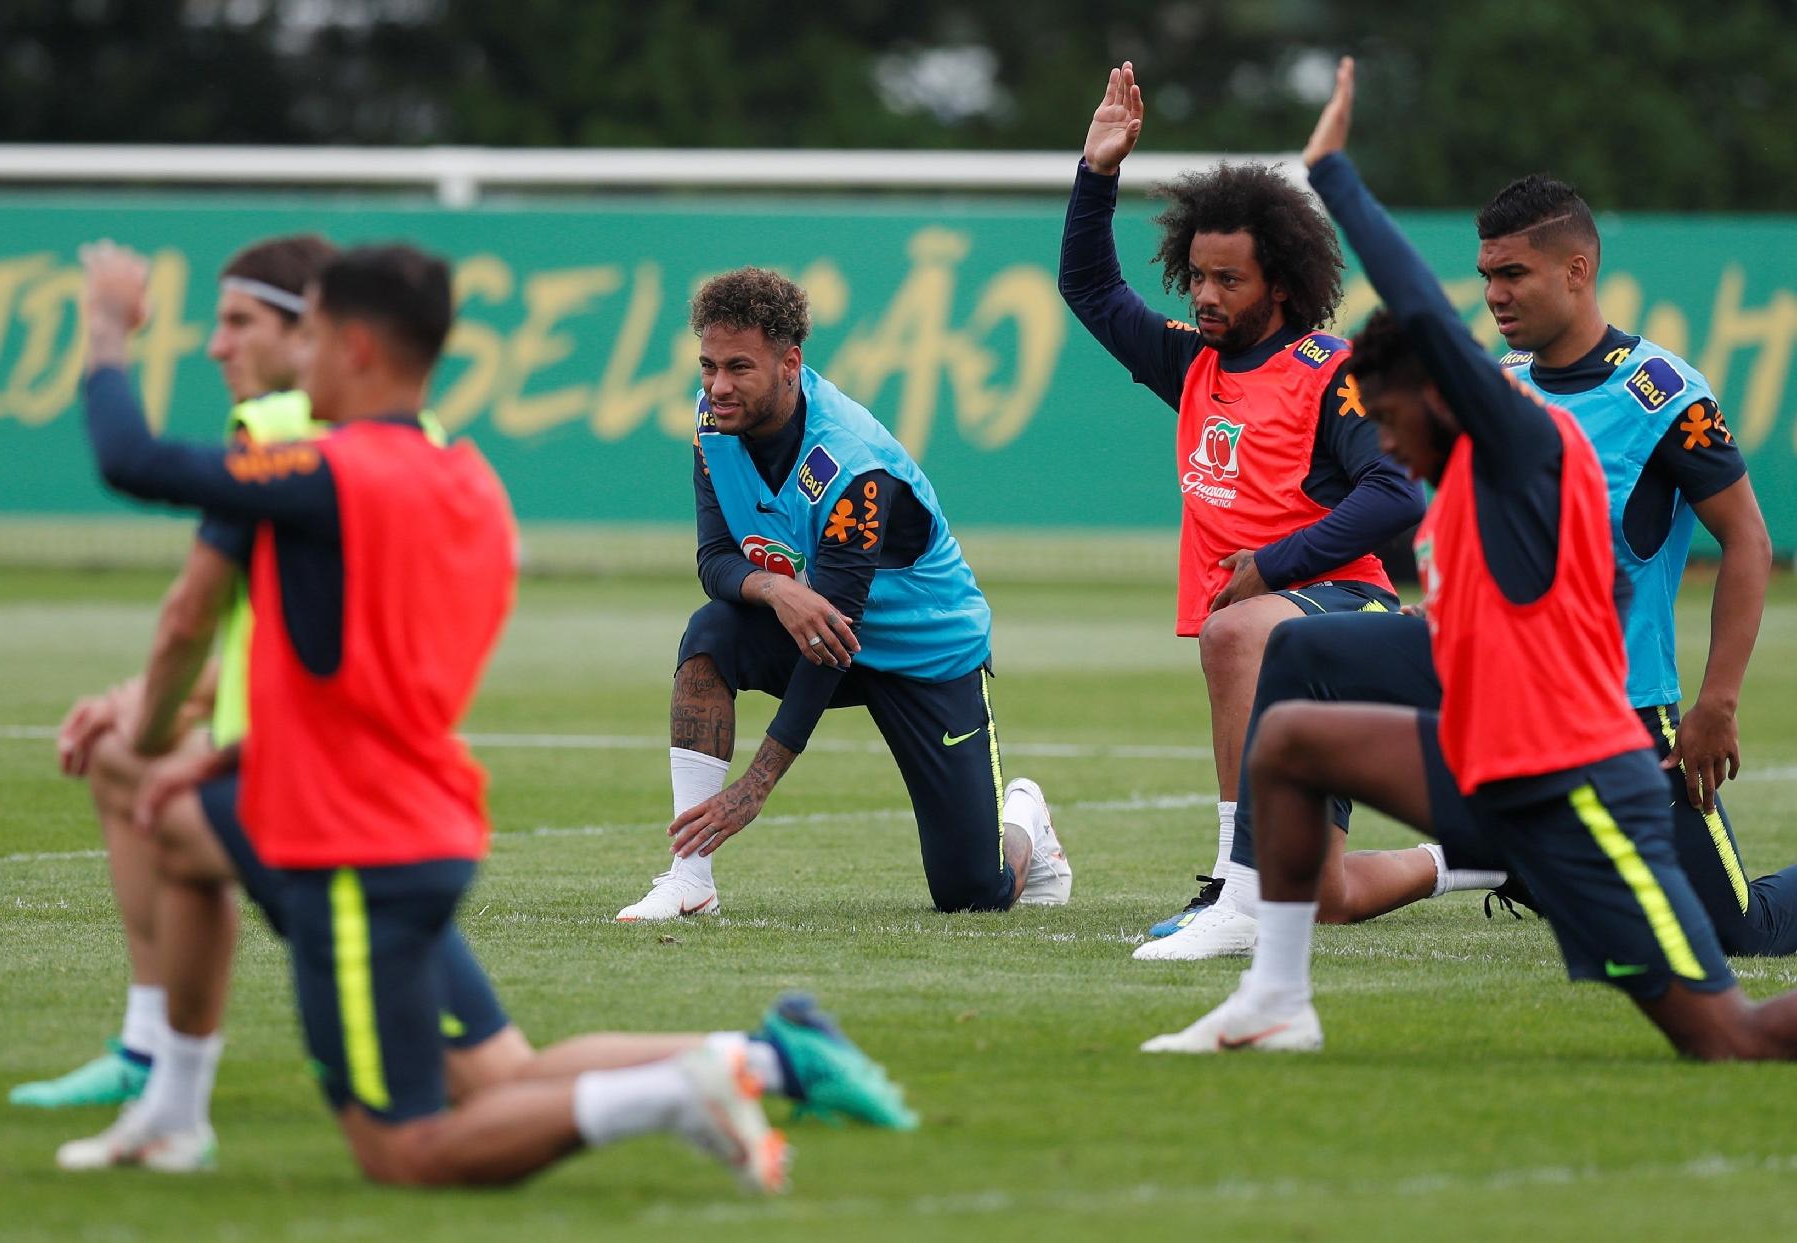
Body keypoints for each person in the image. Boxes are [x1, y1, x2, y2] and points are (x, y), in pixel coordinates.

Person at [62, 240, 914, 1187]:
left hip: (350, 837)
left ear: (353, 348)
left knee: (404, 1150)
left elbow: (129, 460)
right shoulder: (465, 485)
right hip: (410, 812)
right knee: (187, 840)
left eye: (306, 339)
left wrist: (106, 324)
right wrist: (223, 761)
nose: (292, 360)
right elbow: (354, 676)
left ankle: (689, 1088)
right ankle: (771, 1055)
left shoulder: (324, 474)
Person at [1146, 59, 1797, 1062]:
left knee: (1730, 1031)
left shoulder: (1525, 429)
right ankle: (1276, 994)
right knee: (1292, 726)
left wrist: (1335, 178)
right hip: (1493, 743)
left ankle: (1507, 867)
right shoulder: (1495, 421)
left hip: (1580, 778)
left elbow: (1426, 320)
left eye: (1392, 419)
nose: (1387, 448)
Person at [1059, 61, 1424, 956]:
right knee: (1325, 891)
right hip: (1285, 629)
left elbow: (1396, 494)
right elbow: (1093, 292)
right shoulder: (1195, 364)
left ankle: (1234, 885)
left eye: (1230, 281)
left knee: (1234, 633)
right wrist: (1097, 171)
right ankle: (1484, 857)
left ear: (1283, 286)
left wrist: (1272, 566)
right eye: (1199, 278)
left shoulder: (1333, 372)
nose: (1208, 298)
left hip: (1352, 612)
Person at [615, 267, 1071, 921]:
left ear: (789, 363)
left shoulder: (850, 463)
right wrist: (774, 587)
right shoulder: (711, 422)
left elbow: (832, 641)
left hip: (925, 651)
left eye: (738, 367)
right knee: (709, 634)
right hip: (817, 625)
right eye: (708, 365)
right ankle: (690, 877)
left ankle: (1026, 817)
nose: (718, 386)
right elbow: (715, 558)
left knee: (973, 894)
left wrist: (757, 783)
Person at [15, 235, 336, 1109]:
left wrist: (109, 328)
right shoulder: (416, 442)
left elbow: (189, 617)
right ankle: (158, 1068)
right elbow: (271, 635)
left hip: (327, 807)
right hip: (364, 788)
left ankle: (715, 1073)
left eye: (238, 322)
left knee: (451, 1102)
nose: (214, 345)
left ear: (309, 333)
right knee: (147, 783)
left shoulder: (280, 437)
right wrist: (145, 718)